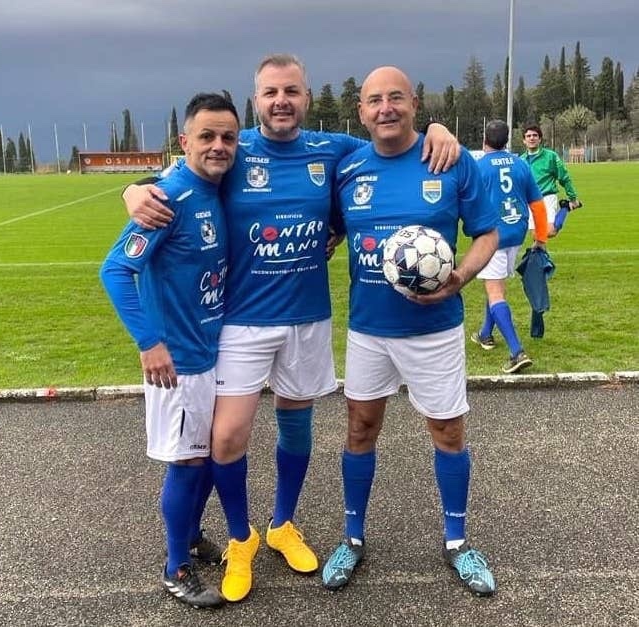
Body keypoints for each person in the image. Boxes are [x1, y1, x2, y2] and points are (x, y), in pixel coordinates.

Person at [122, 53, 460, 603]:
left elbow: (389, 138)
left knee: (296, 427)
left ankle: (282, 524)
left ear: (307, 97)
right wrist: (134, 190)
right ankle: (241, 538)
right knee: (226, 437)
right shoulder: (233, 149)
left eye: (292, 91)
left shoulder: (333, 149)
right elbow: (182, 177)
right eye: (271, 92)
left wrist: (438, 129)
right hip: (242, 322)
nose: (282, 101)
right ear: (256, 99)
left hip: (307, 319)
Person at [321, 66, 499, 597]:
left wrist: (460, 277)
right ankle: (352, 538)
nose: (386, 108)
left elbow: (487, 234)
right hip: (369, 330)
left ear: (415, 104)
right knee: (360, 430)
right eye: (375, 100)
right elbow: (333, 226)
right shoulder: (349, 168)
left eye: (396, 97)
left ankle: (457, 543)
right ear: (361, 112)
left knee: (447, 432)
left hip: (434, 330)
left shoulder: (449, 158)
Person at [100, 92, 240, 609]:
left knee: (206, 457)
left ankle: (191, 535)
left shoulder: (218, 188)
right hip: (178, 362)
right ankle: (175, 566)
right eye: (207, 136)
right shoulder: (170, 197)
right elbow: (116, 270)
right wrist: (149, 342)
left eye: (228, 137)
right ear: (185, 141)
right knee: (188, 462)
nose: (218, 145)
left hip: (212, 351)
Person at [471, 119, 549, 374]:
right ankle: (485, 333)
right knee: (496, 285)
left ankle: (517, 352)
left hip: (491, 236)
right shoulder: (521, 164)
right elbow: (538, 205)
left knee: (495, 292)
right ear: (507, 141)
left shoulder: (479, 166)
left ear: (485, 140)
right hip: (516, 233)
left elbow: (468, 204)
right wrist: (540, 238)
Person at [520, 124, 582, 237]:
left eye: (535, 135)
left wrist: (572, 198)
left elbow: (564, 178)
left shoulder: (551, 156)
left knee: (549, 232)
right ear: (524, 140)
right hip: (530, 201)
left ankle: (565, 208)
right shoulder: (521, 161)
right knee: (536, 236)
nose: (532, 138)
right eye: (528, 136)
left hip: (547, 197)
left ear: (540, 139)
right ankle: (538, 251)